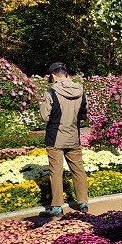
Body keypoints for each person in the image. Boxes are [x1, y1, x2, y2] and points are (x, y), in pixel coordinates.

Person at [39, 62, 89, 216]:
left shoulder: (50, 93)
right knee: (78, 170)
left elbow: (44, 116)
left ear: (53, 76)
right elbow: (83, 116)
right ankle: (83, 203)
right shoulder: (80, 91)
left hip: (55, 138)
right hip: (73, 137)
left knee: (56, 172)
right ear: (65, 74)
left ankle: (57, 207)